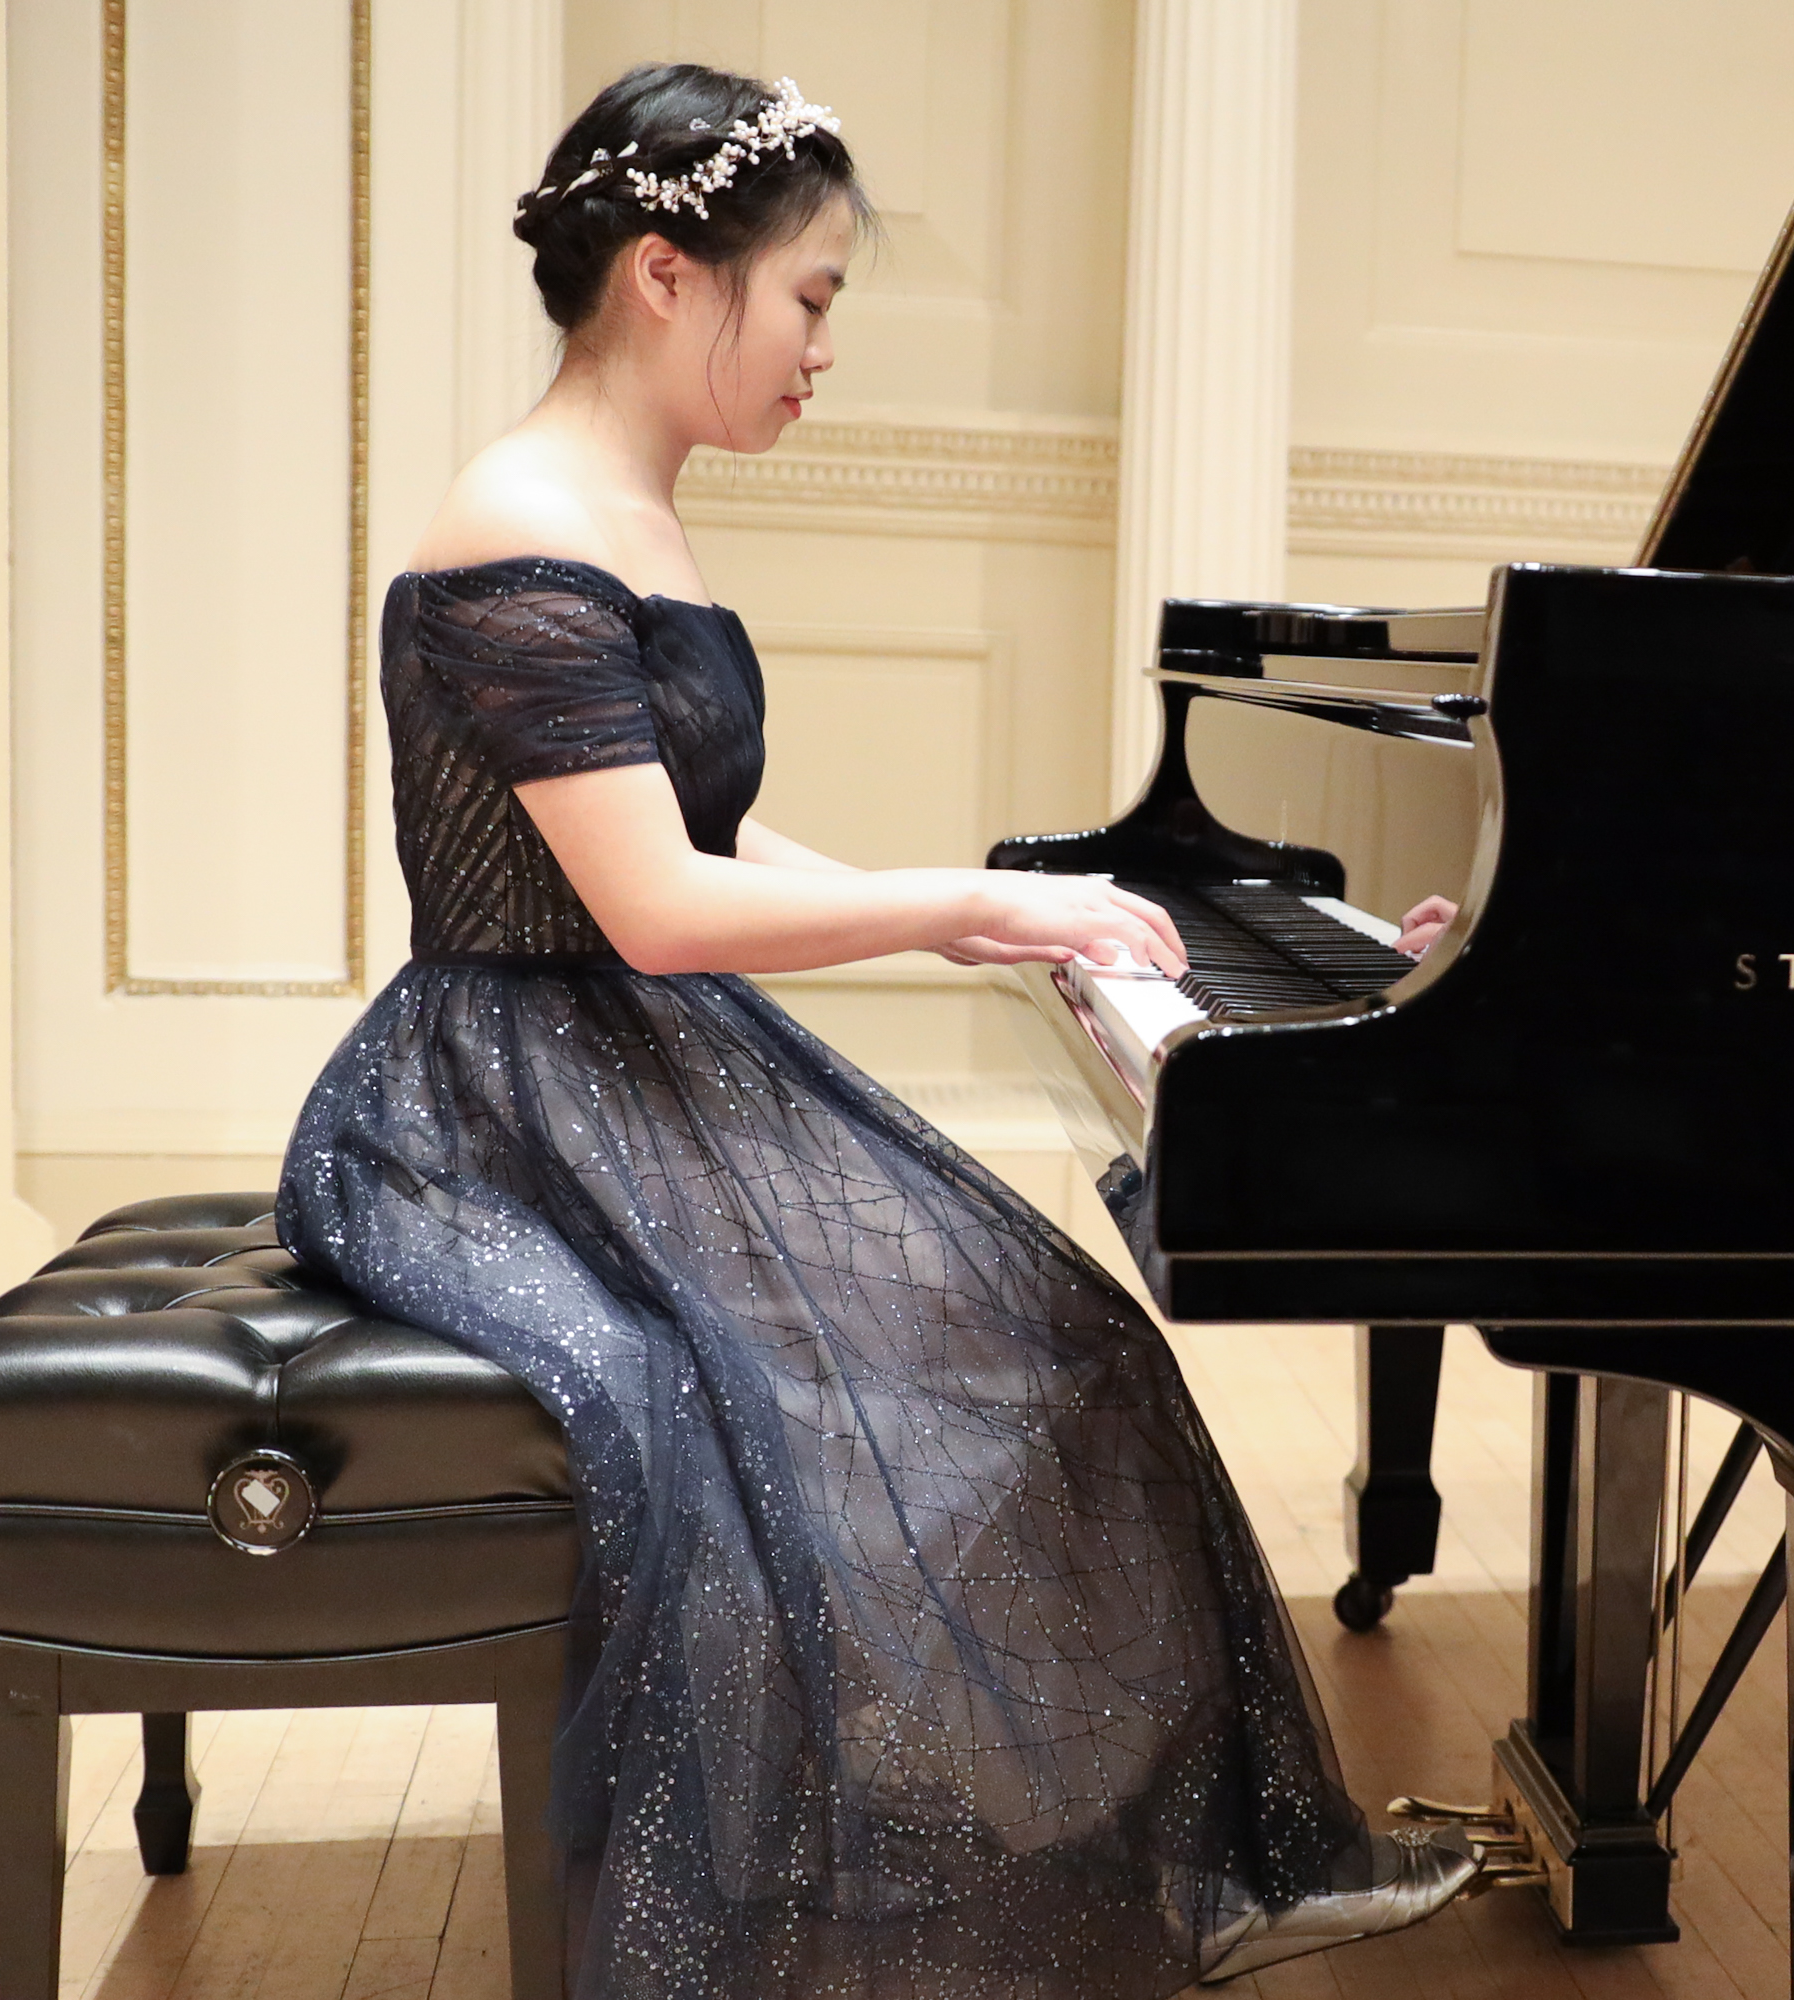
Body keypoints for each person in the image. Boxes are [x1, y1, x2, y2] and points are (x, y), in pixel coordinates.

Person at [277, 63, 1474, 2000]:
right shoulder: (523, 519)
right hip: (502, 1101)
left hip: (614, 1059)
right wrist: (959, 902)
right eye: (811, 297)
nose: (825, 347)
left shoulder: (618, 505)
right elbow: (656, 909)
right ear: (668, 276)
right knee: (783, 1418)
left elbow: (695, 829)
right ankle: (943, 1874)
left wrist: (998, 925)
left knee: (1054, 1339)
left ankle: (1180, 1855)